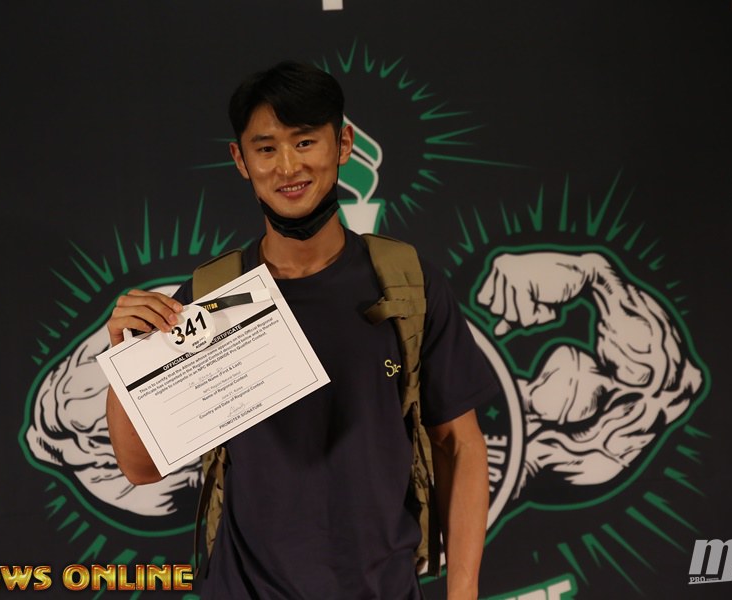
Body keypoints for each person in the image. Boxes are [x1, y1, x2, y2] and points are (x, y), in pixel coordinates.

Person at [106, 61, 498, 599]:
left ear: (344, 144)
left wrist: (464, 591)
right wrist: (124, 360)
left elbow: (460, 445)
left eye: (305, 141)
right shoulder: (210, 297)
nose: (288, 166)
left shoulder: (409, 283)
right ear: (240, 160)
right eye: (266, 148)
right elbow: (141, 468)